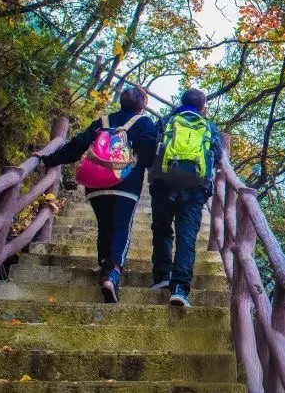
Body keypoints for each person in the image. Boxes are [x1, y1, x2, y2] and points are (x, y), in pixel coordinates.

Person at [41, 87, 156, 303]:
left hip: (96, 183)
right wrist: (142, 161)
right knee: (121, 225)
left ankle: (104, 262)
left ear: (121, 102)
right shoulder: (144, 123)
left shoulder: (103, 121)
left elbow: (77, 146)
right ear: (142, 105)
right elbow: (150, 152)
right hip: (125, 183)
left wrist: (48, 159)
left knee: (105, 225)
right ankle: (111, 274)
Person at [150, 88, 221, 307]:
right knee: (187, 237)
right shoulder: (209, 127)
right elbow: (217, 156)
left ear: (181, 102)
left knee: (161, 229)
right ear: (203, 107)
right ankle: (180, 288)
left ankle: (162, 276)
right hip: (194, 190)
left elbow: (152, 146)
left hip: (163, 184)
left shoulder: (167, 121)